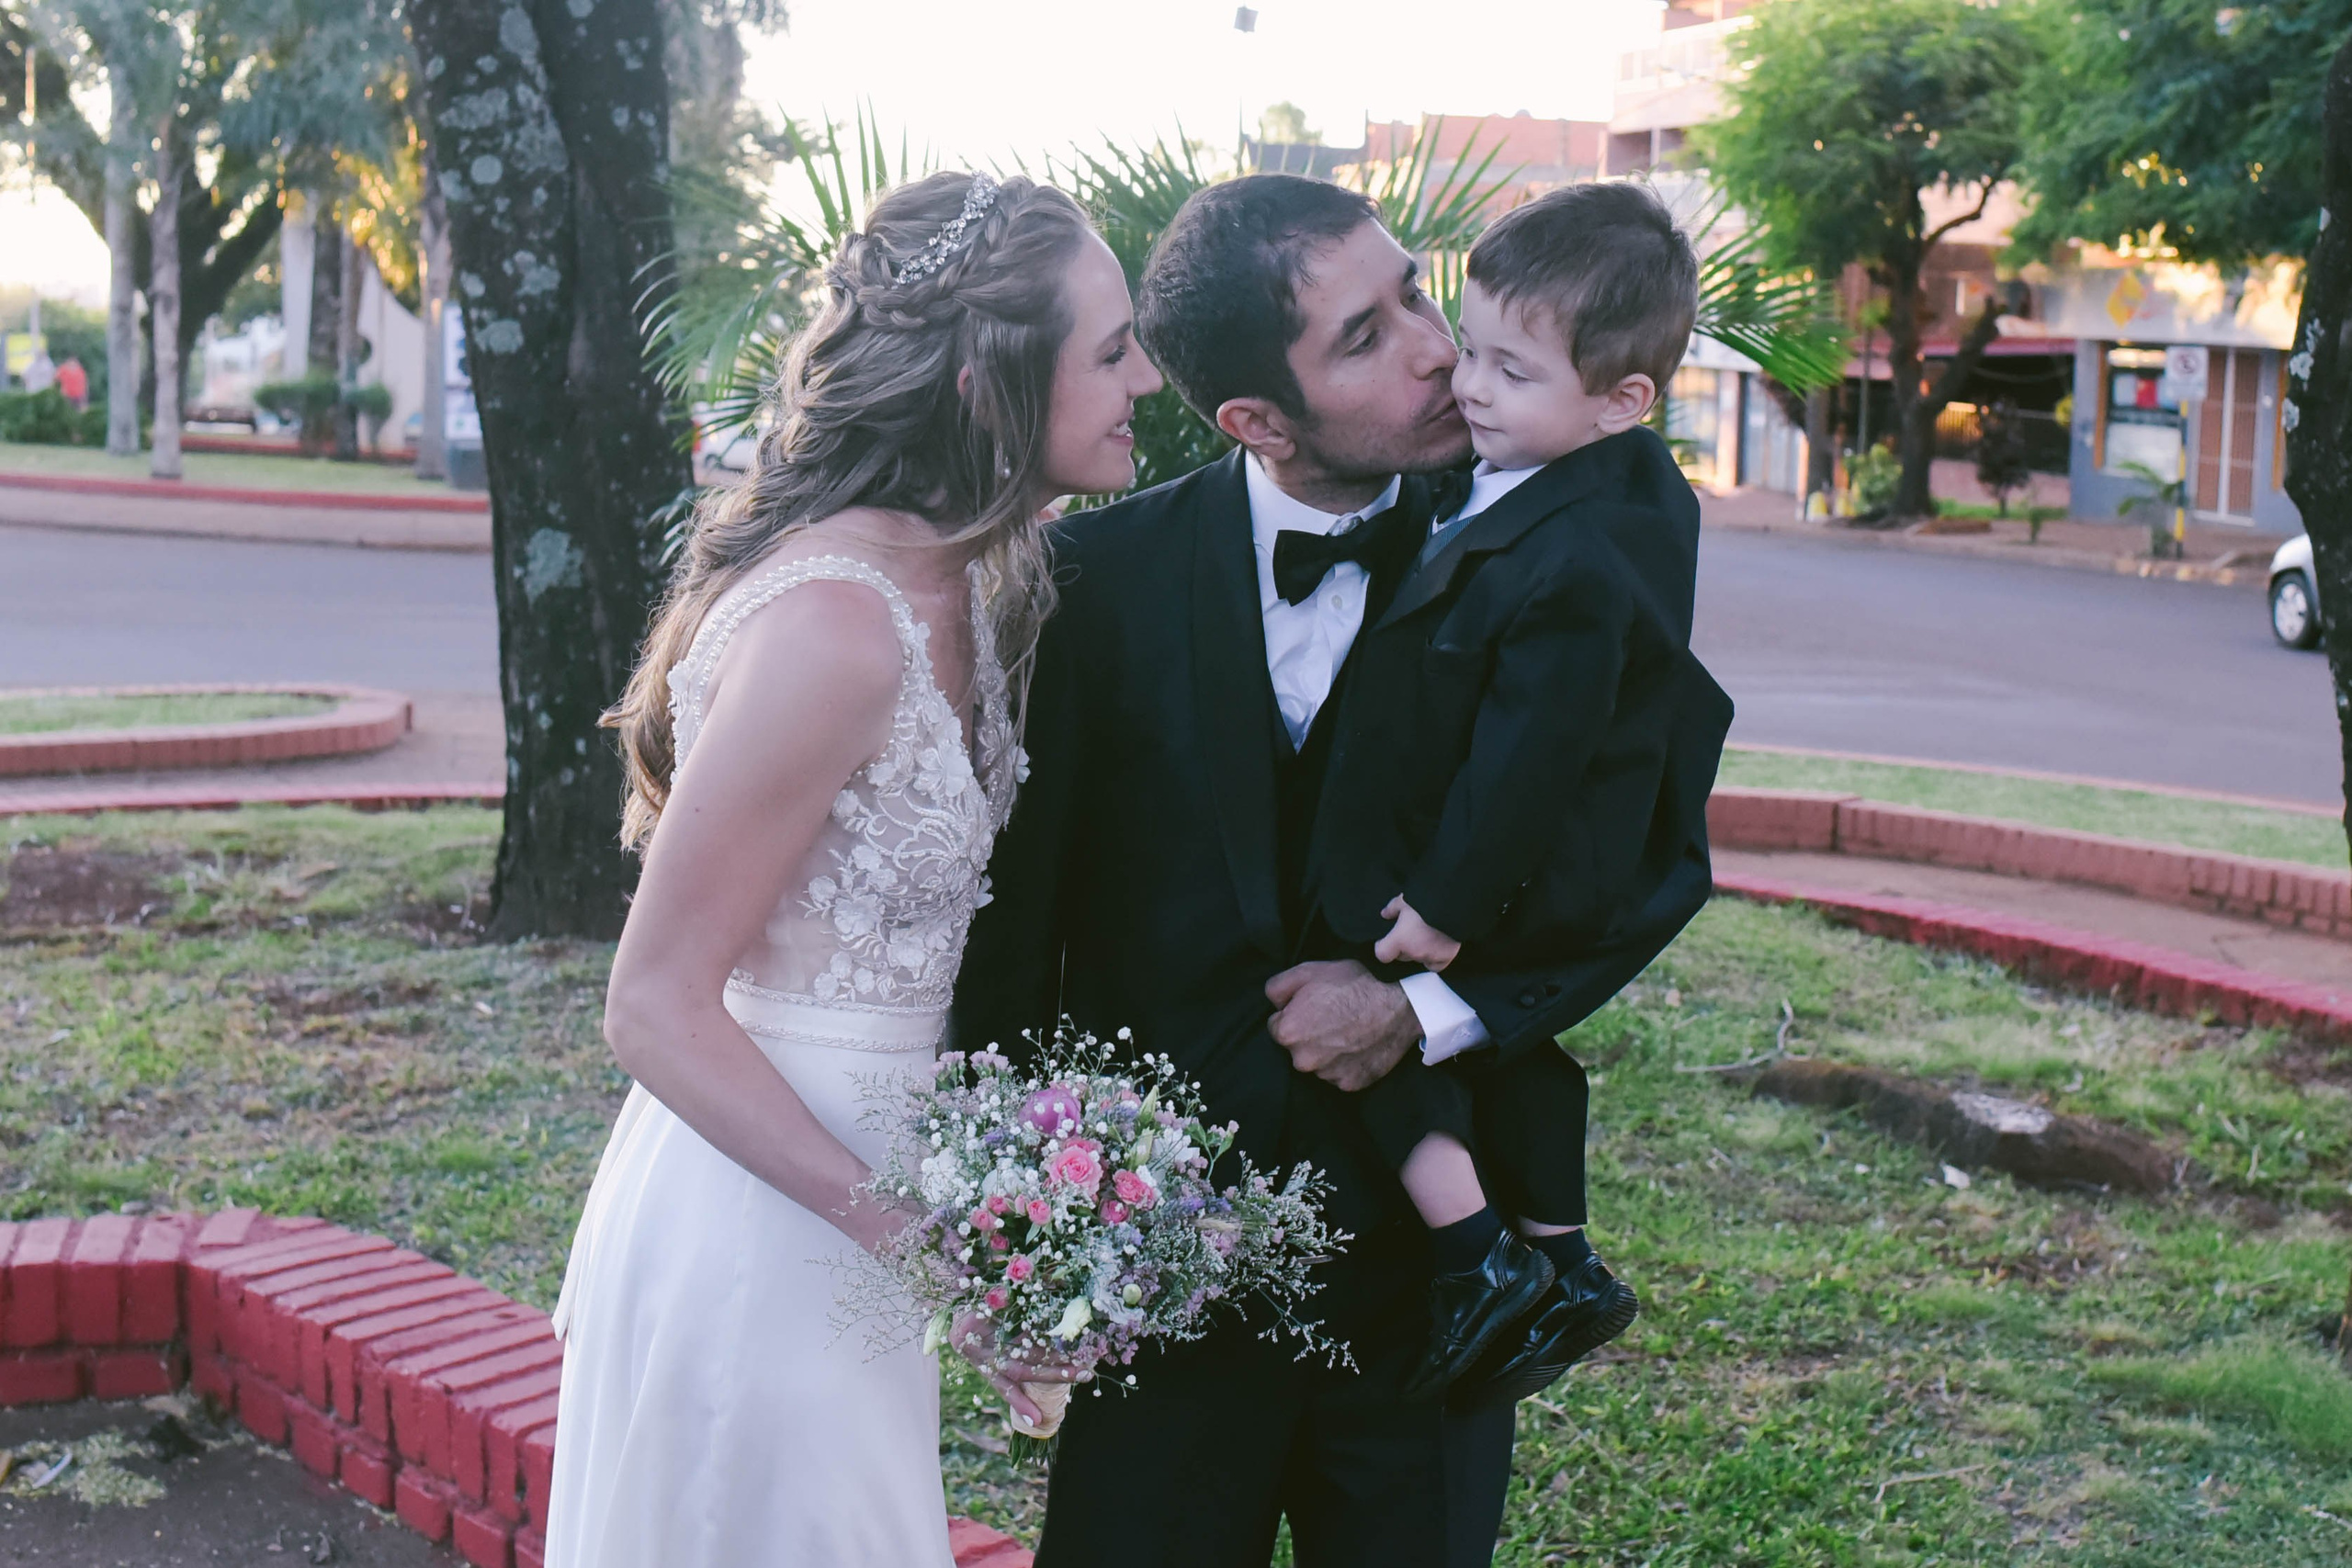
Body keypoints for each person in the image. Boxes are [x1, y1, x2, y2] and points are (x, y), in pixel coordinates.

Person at [953, 174, 1713, 1568]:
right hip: (1163, 1277)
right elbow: (1012, 940)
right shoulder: (1088, 584)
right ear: (1255, 419)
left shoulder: (1566, 548)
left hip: (1434, 1284)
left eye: (1417, 292)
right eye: (1366, 336)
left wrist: (1423, 1014)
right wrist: (1019, 1245)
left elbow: (1651, 862)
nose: (1437, 346)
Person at [543, 170, 1164, 1568]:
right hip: (759, 1231)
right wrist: (931, 1245)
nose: (1148, 376)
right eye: (1113, 347)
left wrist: (1004, 1246)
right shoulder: (835, 627)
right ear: (984, 380)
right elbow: (651, 1006)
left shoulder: (983, 579)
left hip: (868, 1224)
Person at [1306, 181, 1736, 1404]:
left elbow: (1531, 752)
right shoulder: (1612, 481)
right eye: (1472, 346)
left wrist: (1443, 904)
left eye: (1511, 371)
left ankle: (1477, 1254)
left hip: (1523, 864)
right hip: (1565, 856)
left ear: (1623, 399)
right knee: (1524, 1053)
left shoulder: (1580, 559)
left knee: (1351, 1007)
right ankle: (1566, 1254)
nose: (1469, 387)